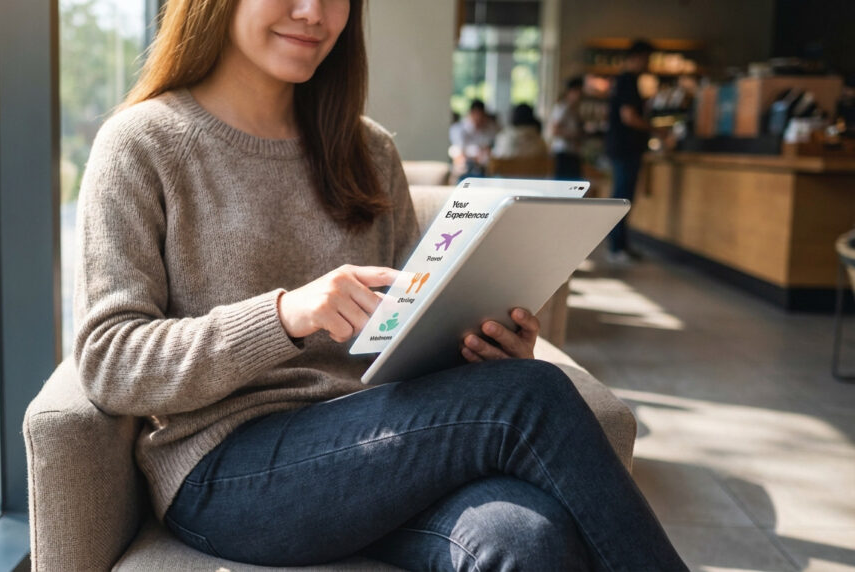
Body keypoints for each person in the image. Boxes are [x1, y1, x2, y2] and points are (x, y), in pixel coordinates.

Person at [73, 1, 687, 570]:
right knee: (534, 397)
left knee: (527, 538)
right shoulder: (141, 144)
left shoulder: (368, 150)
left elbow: (404, 331)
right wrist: (284, 316)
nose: (313, 12)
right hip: (227, 472)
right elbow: (109, 360)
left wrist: (483, 352)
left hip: (380, 451)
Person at [605, 39, 654, 264]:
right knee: (622, 198)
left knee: (624, 197)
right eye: (647, 59)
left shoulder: (622, 80)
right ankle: (616, 247)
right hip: (625, 148)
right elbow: (629, 117)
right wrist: (656, 130)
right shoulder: (628, 81)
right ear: (638, 57)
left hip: (622, 147)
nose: (648, 64)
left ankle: (621, 245)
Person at [448, 98, 497, 179]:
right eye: (476, 115)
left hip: (482, 170)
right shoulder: (458, 129)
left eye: (481, 116)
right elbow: (459, 154)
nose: (479, 119)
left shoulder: (488, 129)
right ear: (471, 113)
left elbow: (488, 149)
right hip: (463, 169)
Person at [548, 76, 586, 180]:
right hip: (563, 152)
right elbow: (554, 130)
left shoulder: (573, 109)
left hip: (573, 152)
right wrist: (574, 135)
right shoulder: (562, 108)